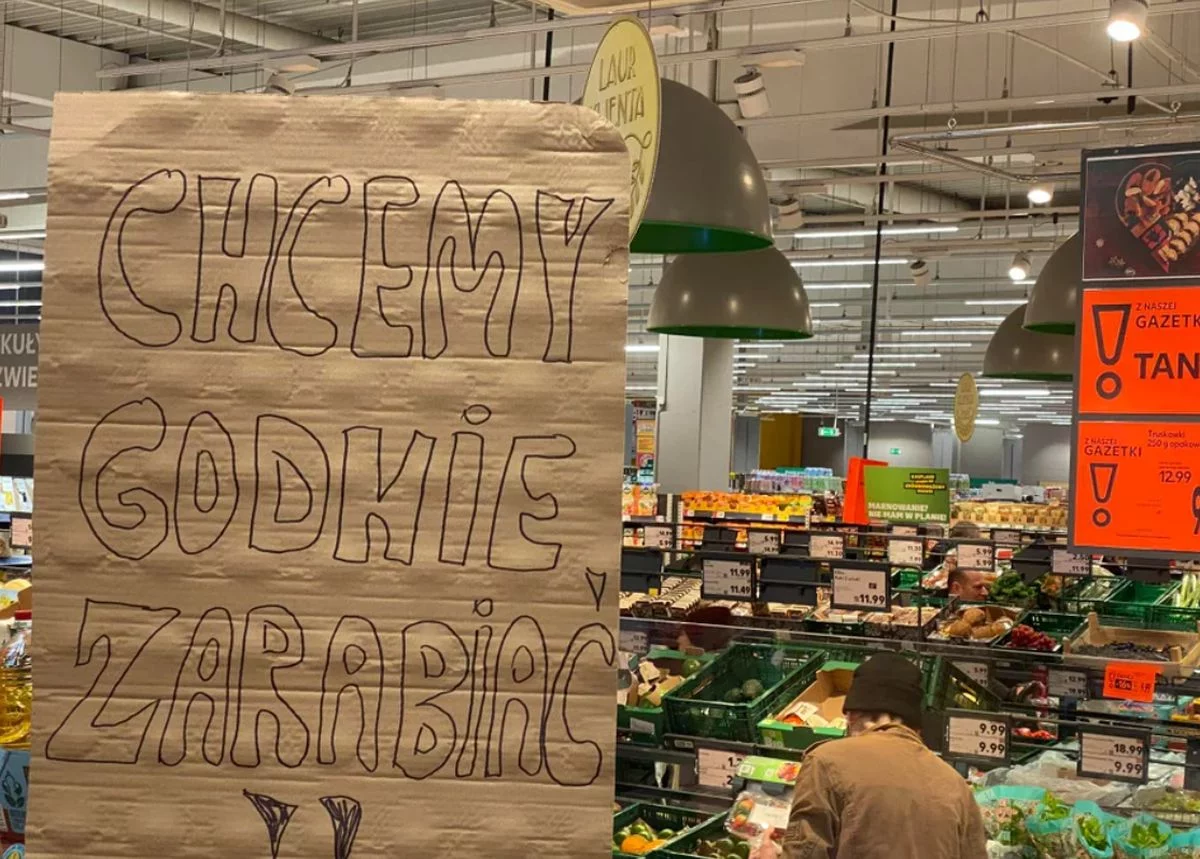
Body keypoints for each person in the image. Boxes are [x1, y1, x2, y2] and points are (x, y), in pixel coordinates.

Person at [778, 652, 987, 859]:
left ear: (852, 715)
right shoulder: (957, 786)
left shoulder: (825, 762)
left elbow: (803, 853)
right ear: (916, 725)